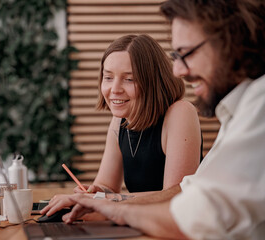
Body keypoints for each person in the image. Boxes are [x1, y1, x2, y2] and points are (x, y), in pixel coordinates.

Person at [65, 0, 265, 239]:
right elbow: (194, 197)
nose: (178, 70)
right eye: (108, 77)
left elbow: (188, 209)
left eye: (186, 53)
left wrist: (110, 205)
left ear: (229, 45)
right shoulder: (237, 113)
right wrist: (97, 199)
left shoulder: (255, 108)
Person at [41, 34, 203, 217]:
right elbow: (107, 186)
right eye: (108, 77)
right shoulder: (119, 122)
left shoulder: (180, 112)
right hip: (143, 224)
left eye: (129, 79)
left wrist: (104, 200)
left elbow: (175, 196)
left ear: (153, 81)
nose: (114, 89)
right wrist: (95, 193)